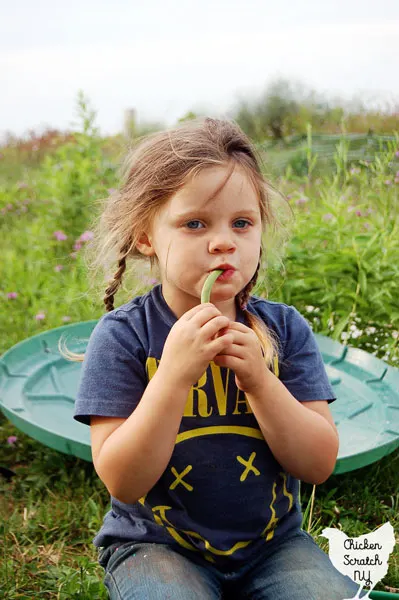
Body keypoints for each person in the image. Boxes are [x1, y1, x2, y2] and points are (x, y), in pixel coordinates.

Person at [66, 117, 367, 599]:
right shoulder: (123, 336)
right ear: (146, 236)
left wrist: (262, 383)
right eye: (195, 223)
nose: (224, 241)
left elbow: (317, 464)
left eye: (242, 223)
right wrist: (173, 376)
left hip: (275, 546)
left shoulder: (284, 330)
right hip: (157, 547)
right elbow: (123, 480)